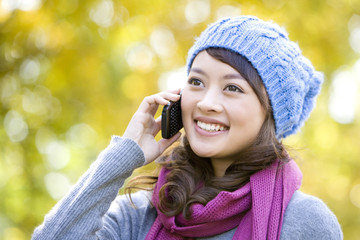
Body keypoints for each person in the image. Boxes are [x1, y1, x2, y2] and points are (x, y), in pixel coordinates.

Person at [32, 15, 343, 240]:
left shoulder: (304, 222)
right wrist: (122, 157)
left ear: (269, 113)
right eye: (196, 82)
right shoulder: (141, 214)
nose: (206, 102)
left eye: (232, 88)